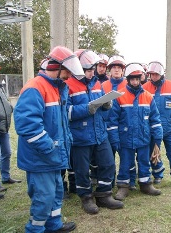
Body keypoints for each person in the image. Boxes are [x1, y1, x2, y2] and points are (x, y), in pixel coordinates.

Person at [14, 46, 83, 233]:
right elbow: (27, 125)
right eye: (67, 70)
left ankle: (54, 225)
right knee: (43, 197)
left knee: (56, 193)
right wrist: (49, 147)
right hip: (41, 157)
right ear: (56, 66)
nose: (69, 75)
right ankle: (34, 229)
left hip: (53, 156)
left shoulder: (57, 87)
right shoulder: (35, 87)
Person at [66, 49, 123, 215]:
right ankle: (86, 197)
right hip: (80, 136)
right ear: (79, 69)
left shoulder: (97, 83)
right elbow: (66, 113)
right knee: (82, 170)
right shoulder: (68, 85)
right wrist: (86, 108)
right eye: (89, 70)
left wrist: (107, 105)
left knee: (108, 164)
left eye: (93, 70)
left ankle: (104, 194)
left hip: (100, 133)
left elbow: (102, 106)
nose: (93, 73)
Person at [112, 63, 163, 200]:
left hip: (143, 137)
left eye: (137, 78)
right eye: (132, 79)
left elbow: (155, 119)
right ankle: (123, 186)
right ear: (127, 79)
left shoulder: (148, 96)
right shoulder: (119, 96)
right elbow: (112, 121)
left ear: (141, 79)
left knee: (144, 162)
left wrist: (157, 139)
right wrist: (115, 139)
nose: (135, 81)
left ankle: (146, 184)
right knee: (125, 163)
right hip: (125, 138)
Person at [143, 61, 171, 186]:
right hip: (152, 129)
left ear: (161, 74)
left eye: (156, 74)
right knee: (154, 153)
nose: (154, 77)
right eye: (151, 74)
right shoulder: (145, 88)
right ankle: (157, 174)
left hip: (169, 129)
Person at [102, 55, 137, 190]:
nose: (116, 70)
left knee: (127, 156)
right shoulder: (103, 85)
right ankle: (109, 182)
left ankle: (131, 181)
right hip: (106, 127)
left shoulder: (128, 85)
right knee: (107, 158)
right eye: (114, 68)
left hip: (124, 128)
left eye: (119, 68)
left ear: (123, 71)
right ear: (109, 70)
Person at [0, 65, 21, 189]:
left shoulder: (0, 88)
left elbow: (4, 103)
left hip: (4, 126)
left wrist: (10, 109)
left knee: (6, 152)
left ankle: (5, 177)